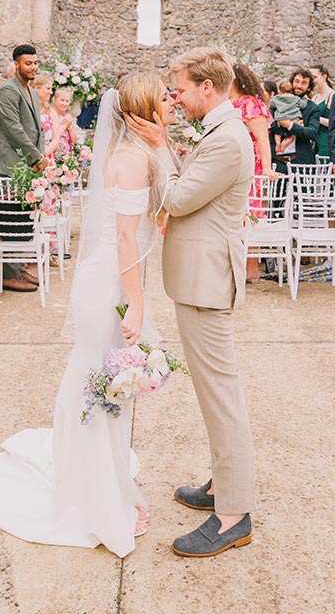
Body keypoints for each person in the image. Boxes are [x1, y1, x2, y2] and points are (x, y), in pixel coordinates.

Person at [0, 72, 176, 556]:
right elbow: (125, 238)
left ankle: (109, 486)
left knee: (104, 388)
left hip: (111, 278)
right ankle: (98, 502)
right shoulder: (130, 161)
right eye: (163, 96)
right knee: (102, 388)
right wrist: (136, 305)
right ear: (142, 108)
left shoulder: (139, 153)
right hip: (110, 285)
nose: (171, 101)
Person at [127, 46, 255, 558]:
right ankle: (223, 487)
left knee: (222, 396)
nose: (175, 97)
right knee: (212, 393)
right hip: (198, 277)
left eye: (180, 87)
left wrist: (160, 146)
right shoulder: (219, 131)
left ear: (208, 86)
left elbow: (179, 199)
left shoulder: (228, 139)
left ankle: (234, 516)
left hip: (207, 281)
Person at [0, 44, 46, 292]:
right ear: (16, 65)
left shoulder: (32, 93)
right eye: (28, 63)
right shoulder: (6, 91)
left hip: (28, 165)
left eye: (35, 63)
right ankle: (7, 274)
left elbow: (38, 130)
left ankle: (17, 267)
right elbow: (14, 130)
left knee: (24, 220)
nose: (33, 67)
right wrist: (35, 157)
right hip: (11, 165)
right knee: (10, 218)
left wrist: (41, 157)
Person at [229, 63, 273, 280]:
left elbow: (263, 139)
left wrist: (266, 169)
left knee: (248, 218)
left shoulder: (250, 104)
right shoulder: (231, 104)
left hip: (251, 169)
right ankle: (240, 267)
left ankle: (251, 269)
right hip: (234, 168)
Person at [272, 67, 320, 169]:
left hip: (299, 163)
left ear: (309, 88)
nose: (299, 85)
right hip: (276, 162)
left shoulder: (312, 108)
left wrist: (291, 126)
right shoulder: (278, 101)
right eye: (297, 81)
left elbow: (312, 132)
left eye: (304, 83)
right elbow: (270, 125)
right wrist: (286, 125)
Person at [310, 64, 335, 160]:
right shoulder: (314, 98)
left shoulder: (333, 96)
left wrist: (315, 118)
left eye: (315, 77)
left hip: (326, 142)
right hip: (313, 142)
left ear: (324, 76)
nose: (312, 80)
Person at [49, 87, 79, 158]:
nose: (65, 103)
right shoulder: (50, 115)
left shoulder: (66, 116)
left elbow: (74, 141)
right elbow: (51, 137)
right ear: (54, 100)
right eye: (62, 100)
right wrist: (64, 125)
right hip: (53, 154)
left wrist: (70, 127)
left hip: (66, 155)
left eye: (67, 101)